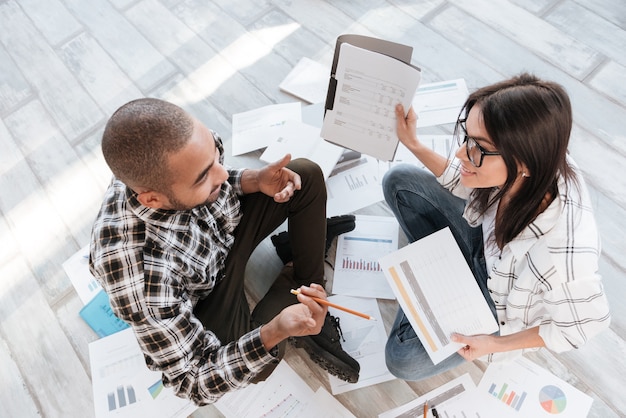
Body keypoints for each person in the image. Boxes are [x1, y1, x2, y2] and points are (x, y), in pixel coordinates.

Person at [89, 98, 359, 406]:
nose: (222, 175)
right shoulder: (140, 278)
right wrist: (275, 331)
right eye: (204, 177)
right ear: (152, 199)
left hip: (222, 240)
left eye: (216, 156)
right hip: (209, 295)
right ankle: (298, 313)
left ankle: (309, 293)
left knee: (304, 175)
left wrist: (254, 179)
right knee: (258, 362)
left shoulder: (180, 153)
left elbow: (219, 175)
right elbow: (192, 380)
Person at [383, 73, 611, 381]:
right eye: (467, 137)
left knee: (402, 360)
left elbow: (580, 328)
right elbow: (466, 181)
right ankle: (426, 282)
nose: (462, 153)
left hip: (498, 299)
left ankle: (425, 281)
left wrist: (495, 344)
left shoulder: (563, 255)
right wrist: (413, 143)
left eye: (478, 147)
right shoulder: (532, 159)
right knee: (398, 181)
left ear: (524, 163)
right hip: (482, 245)